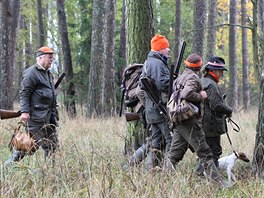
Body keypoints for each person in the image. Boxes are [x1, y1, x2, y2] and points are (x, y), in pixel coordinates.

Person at [165, 54, 222, 182]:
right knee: (205, 152)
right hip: (189, 120)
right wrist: (201, 95)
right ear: (199, 66)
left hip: (179, 120)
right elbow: (187, 93)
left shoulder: (181, 77)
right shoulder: (193, 78)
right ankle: (218, 182)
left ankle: (164, 179)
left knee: (175, 154)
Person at [5, 46, 59, 165]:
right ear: (40, 58)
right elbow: (24, 93)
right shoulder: (31, 73)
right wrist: (24, 111)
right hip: (36, 118)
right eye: (49, 57)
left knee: (52, 145)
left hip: (49, 117)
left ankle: (49, 173)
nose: (51, 60)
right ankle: (6, 168)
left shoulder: (48, 74)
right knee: (25, 148)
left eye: (52, 58)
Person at [195, 56, 233, 175]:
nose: (222, 73)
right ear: (214, 70)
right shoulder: (211, 84)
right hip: (211, 125)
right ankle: (211, 178)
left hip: (204, 124)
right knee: (213, 152)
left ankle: (201, 175)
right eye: (221, 71)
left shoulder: (203, 81)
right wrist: (229, 110)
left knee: (205, 151)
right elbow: (217, 105)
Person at [141, 34, 172, 169]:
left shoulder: (149, 62)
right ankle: (168, 170)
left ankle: (150, 169)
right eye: (166, 48)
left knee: (156, 142)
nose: (168, 50)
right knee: (171, 140)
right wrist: (175, 82)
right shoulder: (157, 64)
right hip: (160, 109)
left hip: (151, 110)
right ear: (160, 49)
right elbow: (162, 85)